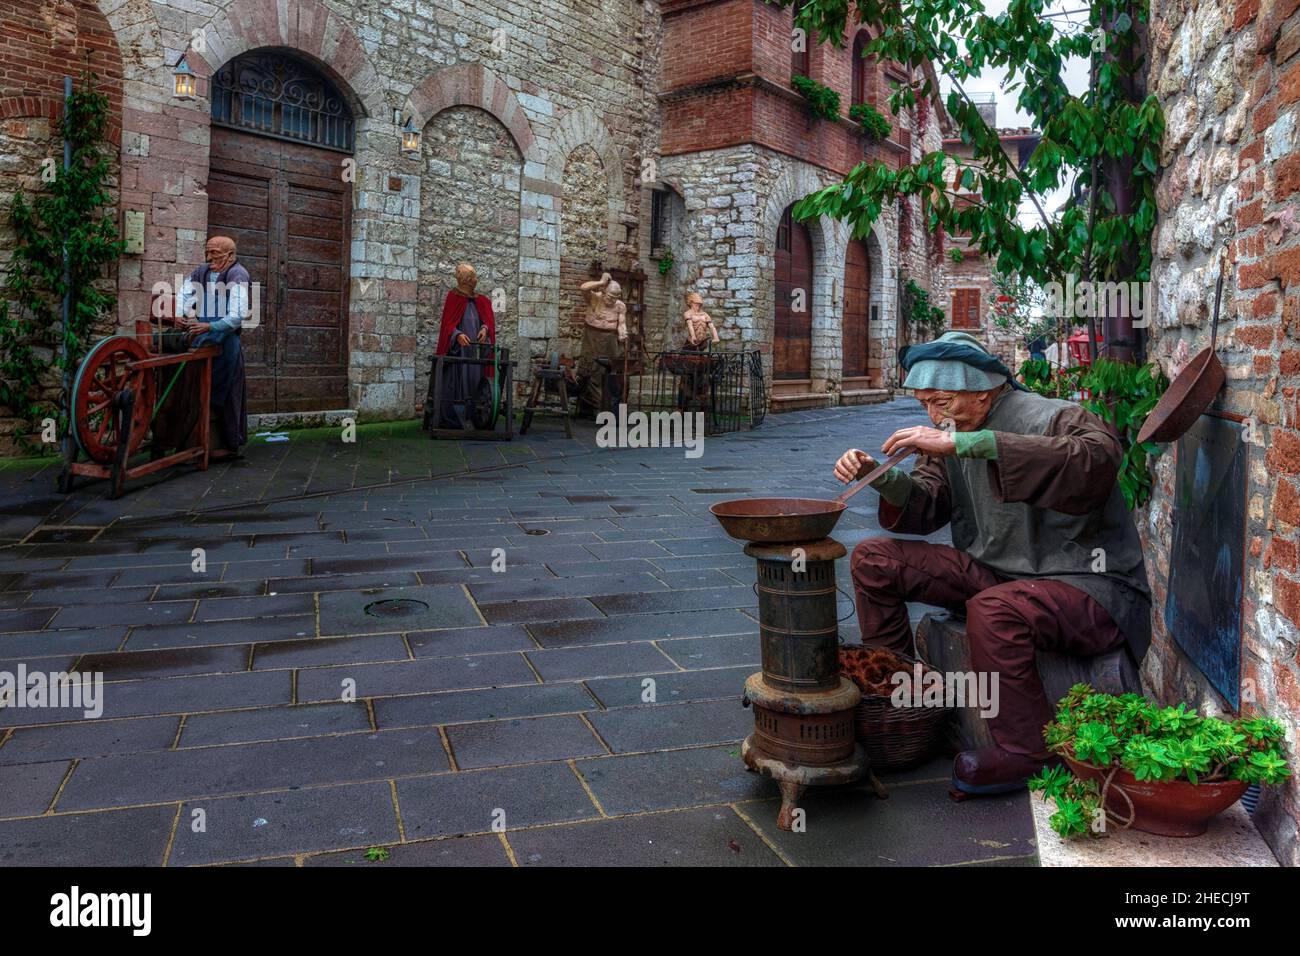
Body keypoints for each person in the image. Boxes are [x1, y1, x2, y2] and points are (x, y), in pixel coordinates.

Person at [833, 330, 1151, 796]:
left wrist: (971, 444)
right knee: (873, 559)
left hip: (1087, 586)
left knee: (995, 610)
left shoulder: (1051, 415)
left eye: (941, 402)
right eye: (924, 404)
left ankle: (1027, 752)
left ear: (982, 390)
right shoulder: (952, 432)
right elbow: (927, 504)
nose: (933, 416)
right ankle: (899, 689)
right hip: (995, 575)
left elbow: (1099, 458)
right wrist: (879, 480)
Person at [178, 236, 249, 459]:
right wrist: (181, 314)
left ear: (230, 255)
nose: (209, 258)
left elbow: (238, 316)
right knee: (197, 387)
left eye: (215, 253)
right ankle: (193, 441)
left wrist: (210, 325)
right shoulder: (203, 271)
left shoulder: (238, 275)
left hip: (226, 344)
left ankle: (228, 445)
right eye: (207, 252)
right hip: (205, 339)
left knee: (226, 393)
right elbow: (183, 293)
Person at [432, 263, 496, 428]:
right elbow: (447, 325)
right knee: (455, 385)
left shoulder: (482, 301)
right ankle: (454, 418)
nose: (476, 279)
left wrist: (484, 328)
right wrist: (457, 334)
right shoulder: (453, 298)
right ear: (468, 280)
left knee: (476, 383)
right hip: (458, 354)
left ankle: (475, 416)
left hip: (475, 353)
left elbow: (487, 322)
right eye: (474, 276)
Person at [576, 272, 627, 415]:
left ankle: (607, 408)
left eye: (616, 297)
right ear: (604, 291)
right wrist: (600, 282)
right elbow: (583, 288)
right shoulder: (595, 298)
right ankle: (590, 408)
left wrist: (623, 332)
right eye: (611, 296)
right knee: (589, 370)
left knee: (609, 372)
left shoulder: (620, 306)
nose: (613, 300)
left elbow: (621, 324)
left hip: (610, 340)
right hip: (592, 337)